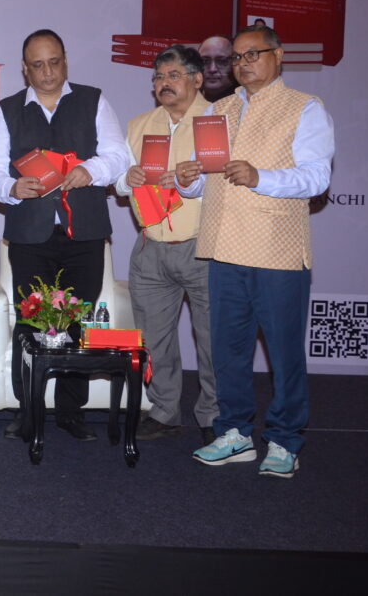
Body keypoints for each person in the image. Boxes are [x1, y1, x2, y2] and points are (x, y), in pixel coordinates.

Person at [178, 24, 334, 478]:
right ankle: (235, 434)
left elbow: (317, 178)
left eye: (253, 54)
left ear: (278, 56)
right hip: (223, 247)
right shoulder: (219, 109)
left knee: (284, 355)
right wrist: (188, 181)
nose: (243, 64)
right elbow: (207, 185)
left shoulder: (305, 108)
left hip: (276, 251)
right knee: (228, 351)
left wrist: (261, 176)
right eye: (237, 57)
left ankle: (285, 440)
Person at [0, 28, 130, 442]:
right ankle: (27, 409)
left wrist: (91, 170)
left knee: (77, 321)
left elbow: (118, 156)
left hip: (84, 232)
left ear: (65, 61)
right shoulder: (7, 110)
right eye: (38, 65)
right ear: (24, 69)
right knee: (31, 322)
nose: (47, 72)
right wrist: (12, 187)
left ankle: (70, 410)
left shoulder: (93, 100)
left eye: (54, 62)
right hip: (30, 236)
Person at [113, 45, 217, 444]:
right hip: (151, 245)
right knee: (154, 337)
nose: (164, 83)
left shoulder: (218, 120)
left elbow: (227, 180)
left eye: (174, 75)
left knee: (212, 339)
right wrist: (128, 179)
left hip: (204, 245)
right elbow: (118, 180)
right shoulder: (140, 124)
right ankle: (163, 410)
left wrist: (195, 182)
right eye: (158, 77)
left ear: (197, 79)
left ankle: (214, 414)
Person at [199, 35, 236, 103]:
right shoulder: (186, 100)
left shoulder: (248, 103)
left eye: (222, 61)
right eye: (205, 61)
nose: (212, 69)